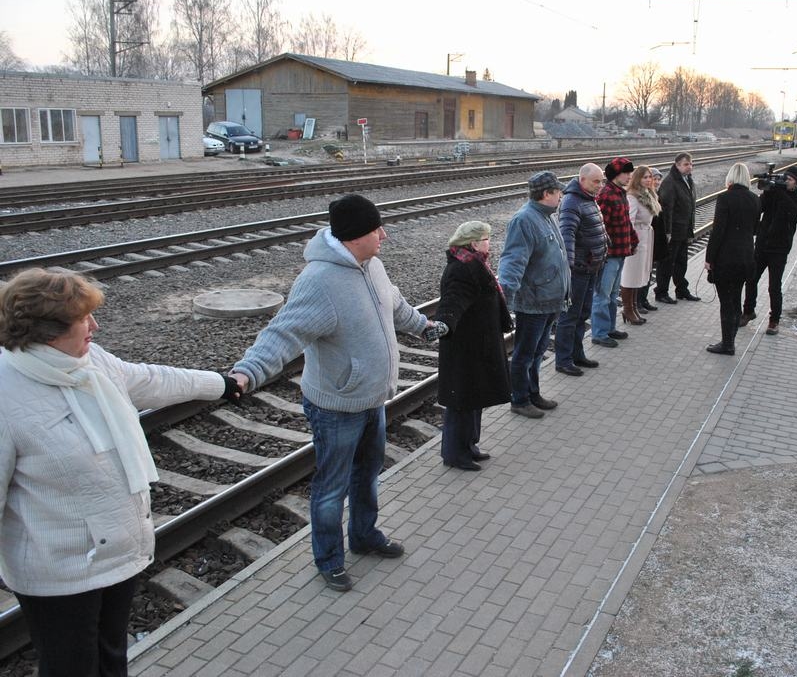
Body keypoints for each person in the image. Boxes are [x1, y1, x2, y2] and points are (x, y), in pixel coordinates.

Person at [0, 268, 238, 677]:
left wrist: (219, 383)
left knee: (112, 657)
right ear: (48, 330)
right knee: (70, 666)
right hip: (58, 573)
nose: (95, 325)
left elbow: (150, 379)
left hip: (120, 554)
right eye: (84, 318)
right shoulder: (8, 393)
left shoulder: (90, 362)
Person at [229, 194, 443, 593]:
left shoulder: (372, 265)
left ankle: (364, 536)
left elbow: (393, 304)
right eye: (376, 229)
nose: (384, 234)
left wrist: (423, 327)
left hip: (373, 400)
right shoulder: (318, 282)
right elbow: (282, 333)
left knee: (367, 477)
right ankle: (329, 559)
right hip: (336, 407)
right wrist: (246, 374)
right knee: (331, 488)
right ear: (354, 236)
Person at [433, 221, 513, 470]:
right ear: (474, 242)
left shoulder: (474, 262)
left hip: (479, 343)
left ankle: (468, 445)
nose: (490, 242)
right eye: (487, 238)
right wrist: (444, 323)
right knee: (462, 401)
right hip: (465, 347)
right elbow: (453, 301)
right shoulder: (462, 267)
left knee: (474, 399)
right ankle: (454, 454)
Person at [497, 171, 570, 418]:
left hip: (550, 300)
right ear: (546, 194)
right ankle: (519, 400)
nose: (562, 195)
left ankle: (533, 393)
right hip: (533, 302)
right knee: (524, 354)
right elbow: (512, 262)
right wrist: (504, 300)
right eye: (558, 191)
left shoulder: (546, 216)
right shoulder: (524, 220)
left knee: (537, 352)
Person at [741, 166, 797, 335]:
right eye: (784, 178)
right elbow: (758, 208)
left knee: (774, 286)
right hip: (763, 244)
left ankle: (774, 320)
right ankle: (748, 311)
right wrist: (768, 193)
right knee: (751, 279)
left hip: (780, 249)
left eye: (790, 180)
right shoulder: (774, 194)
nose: (786, 182)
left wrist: (780, 193)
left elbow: (794, 214)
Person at [554, 163, 607, 377]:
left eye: (602, 181)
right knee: (569, 316)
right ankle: (563, 360)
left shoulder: (588, 199)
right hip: (579, 269)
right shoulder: (572, 202)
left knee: (582, 313)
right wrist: (570, 267)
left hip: (591, 266)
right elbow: (567, 235)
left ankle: (577, 354)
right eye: (596, 181)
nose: (600, 185)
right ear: (582, 180)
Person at [704, 163, 759, 355]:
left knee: (726, 303)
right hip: (746, 257)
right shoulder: (754, 199)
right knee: (736, 300)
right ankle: (731, 340)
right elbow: (754, 229)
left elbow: (718, 231)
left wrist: (709, 258)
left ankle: (727, 344)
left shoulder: (725, 198)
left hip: (726, 259)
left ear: (730, 178)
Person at [591, 157, 638, 347]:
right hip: (609, 254)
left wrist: (633, 240)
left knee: (611, 295)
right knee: (602, 295)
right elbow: (600, 226)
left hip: (620, 252)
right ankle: (600, 333)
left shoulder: (620, 193)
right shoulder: (606, 194)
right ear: (616, 174)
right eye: (626, 173)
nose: (629, 177)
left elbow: (625, 222)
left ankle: (610, 328)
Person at [655, 152, 701, 304]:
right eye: (686, 164)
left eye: (690, 164)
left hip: (684, 228)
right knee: (667, 262)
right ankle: (661, 292)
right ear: (677, 165)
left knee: (681, 261)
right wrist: (667, 231)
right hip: (673, 230)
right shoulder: (670, 182)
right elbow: (667, 208)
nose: (689, 167)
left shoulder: (687, 179)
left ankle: (681, 290)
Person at [622, 165, 661, 325]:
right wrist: (632, 242)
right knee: (630, 275)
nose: (648, 180)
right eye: (645, 177)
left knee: (639, 275)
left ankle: (634, 307)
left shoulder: (649, 195)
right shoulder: (632, 197)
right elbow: (628, 221)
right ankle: (628, 309)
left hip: (646, 236)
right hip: (636, 238)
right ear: (637, 178)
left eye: (649, 177)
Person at [638, 166, 667, 314]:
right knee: (642, 272)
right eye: (652, 178)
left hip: (654, 239)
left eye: (657, 179)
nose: (655, 181)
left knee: (648, 270)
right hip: (646, 238)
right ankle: (638, 301)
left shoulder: (655, 195)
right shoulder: (643, 196)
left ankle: (643, 299)